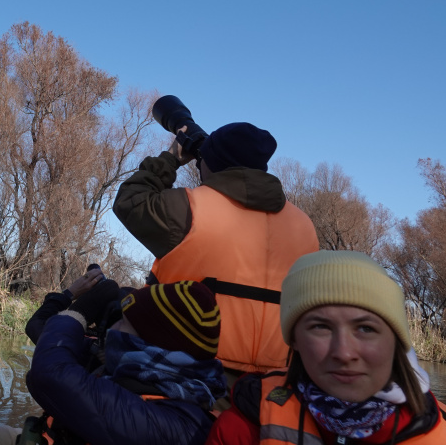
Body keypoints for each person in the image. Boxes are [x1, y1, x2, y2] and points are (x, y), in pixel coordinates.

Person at [113, 120, 319, 374]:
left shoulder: (189, 208)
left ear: (210, 163)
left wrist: (171, 158)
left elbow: (129, 201)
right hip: (275, 383)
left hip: (187, 374)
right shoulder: (304, 225)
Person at [207, 250, 446, 444]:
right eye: (320, 327)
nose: (343, 353)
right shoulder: (247, 424)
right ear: (295, 340)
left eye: (365, 328)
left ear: (396, 339)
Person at [0, 278, 228, 445]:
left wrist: (80, 311)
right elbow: (39, 329)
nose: (112, 328)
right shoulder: (132, 368)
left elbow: (50, 373)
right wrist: (69, 294)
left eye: (122, 321)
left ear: (149, 342)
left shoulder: (178, 424)